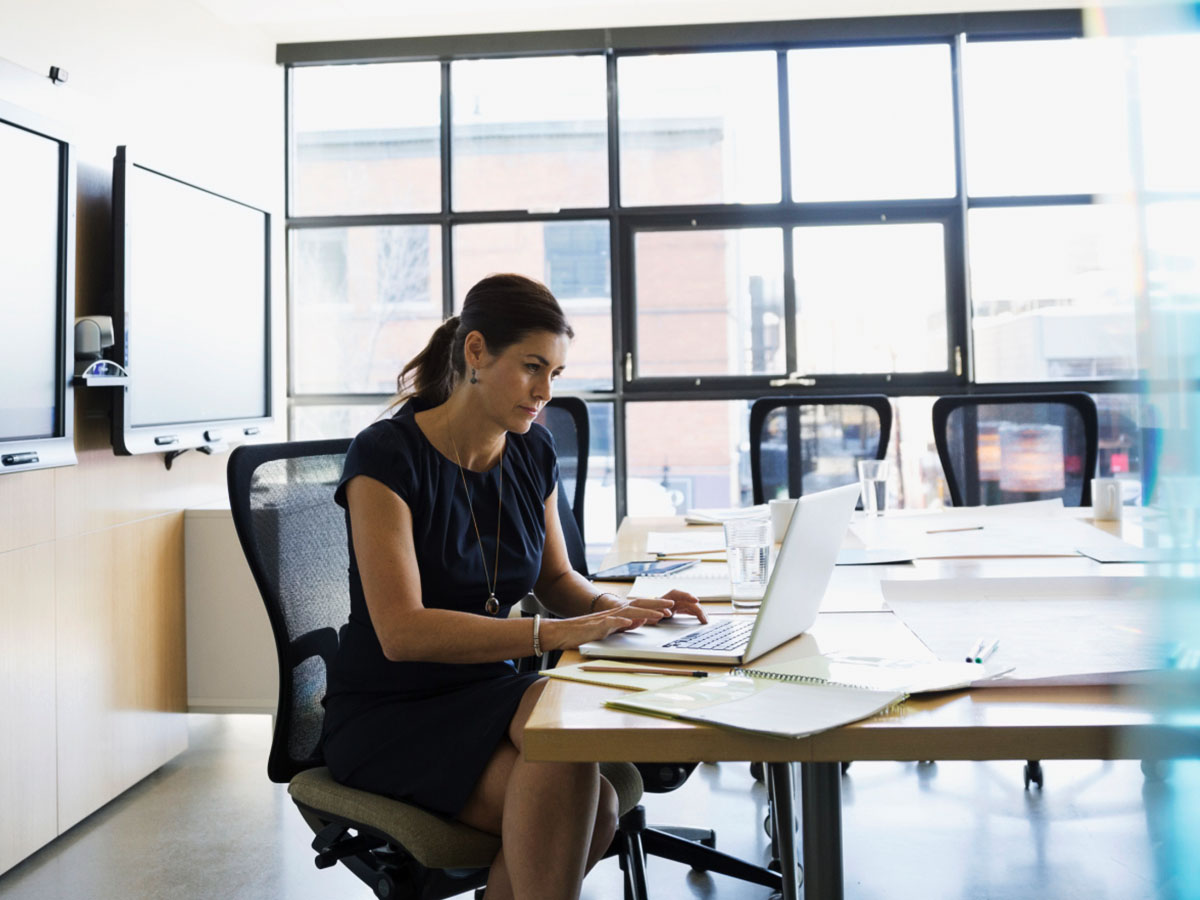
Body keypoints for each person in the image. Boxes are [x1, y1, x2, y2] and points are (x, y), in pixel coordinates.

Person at [322, 273, 707, 900]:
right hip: (390, 709)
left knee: (582, 779)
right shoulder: (385, 457)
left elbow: (556, 578)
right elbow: (401, 630)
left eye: (554, 373)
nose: (545, 392)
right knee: (591, 804)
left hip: (486, 686)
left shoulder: (532, 452)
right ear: (476, 352)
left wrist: (619, 609)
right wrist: (551, 633)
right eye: (533, 367)